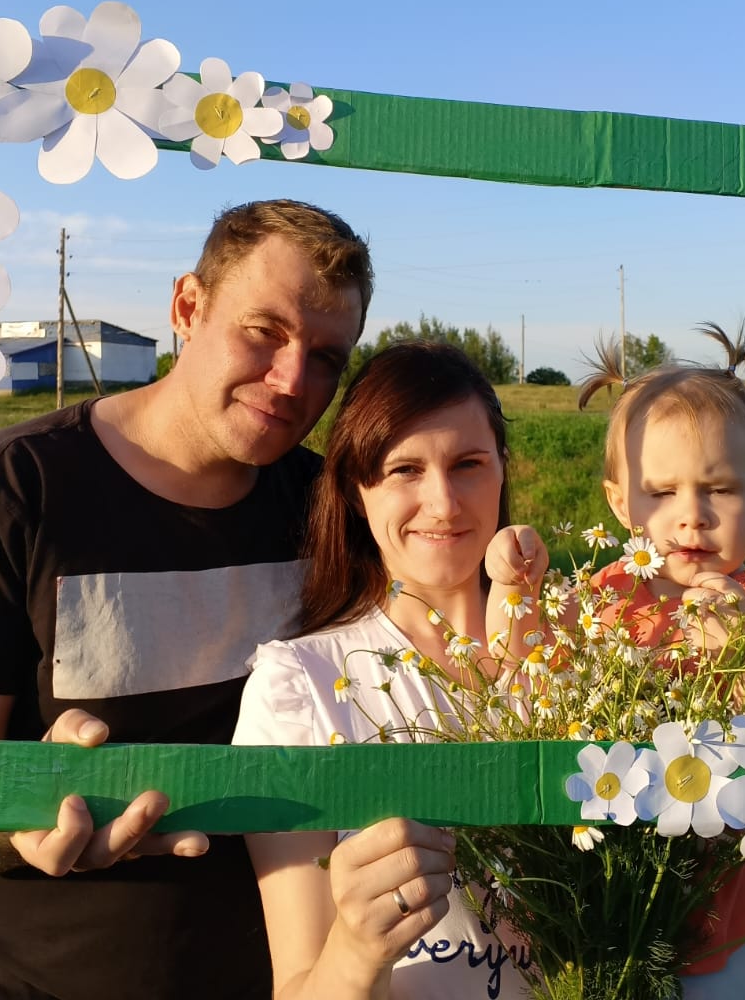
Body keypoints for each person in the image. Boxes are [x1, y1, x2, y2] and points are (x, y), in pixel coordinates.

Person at [0, 199, 374, 999]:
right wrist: (17, 813)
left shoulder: (330, 509)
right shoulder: (15, 491)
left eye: (326, 357)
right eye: (264, 332)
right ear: (188, 307)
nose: (292, 381)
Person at [231, 341, 544, 999]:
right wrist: (356, 949)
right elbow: (298, 984)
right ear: (356, 491)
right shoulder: (300, 688)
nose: (444, 503)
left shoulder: (580, 653)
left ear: (501, 469)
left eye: (468, 464)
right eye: (405, 470)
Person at [591, 364, 745, 998]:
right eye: (661, 492)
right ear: (620, 502)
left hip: (736, 909)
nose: (691, 517)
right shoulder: (601, 602)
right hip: (615, 893)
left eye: (719, 489)